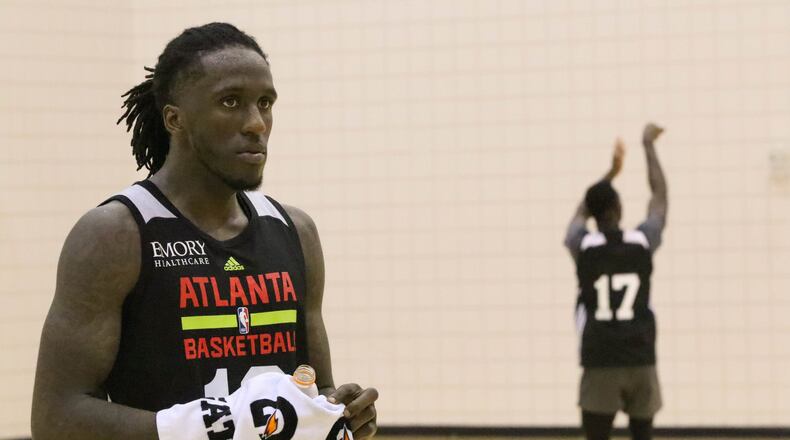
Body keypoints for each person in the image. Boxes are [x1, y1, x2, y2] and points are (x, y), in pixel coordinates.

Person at [32, 22, 377, 439]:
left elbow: (312, 391)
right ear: (175, 120)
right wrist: (211, 429)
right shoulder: (115, 235)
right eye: (231, 102)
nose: (256, 123)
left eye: (265, 103)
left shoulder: (296, 232)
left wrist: (338, 413)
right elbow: (56, 419)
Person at [563, 123, 668, 440]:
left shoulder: (581, 245)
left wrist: (610, 172)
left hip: (600, 358)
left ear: (594, 214)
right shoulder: (642, 241)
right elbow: (660, 198)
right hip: (640, 356)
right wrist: (648, 145)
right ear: (619, 209)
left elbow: (585, 207)